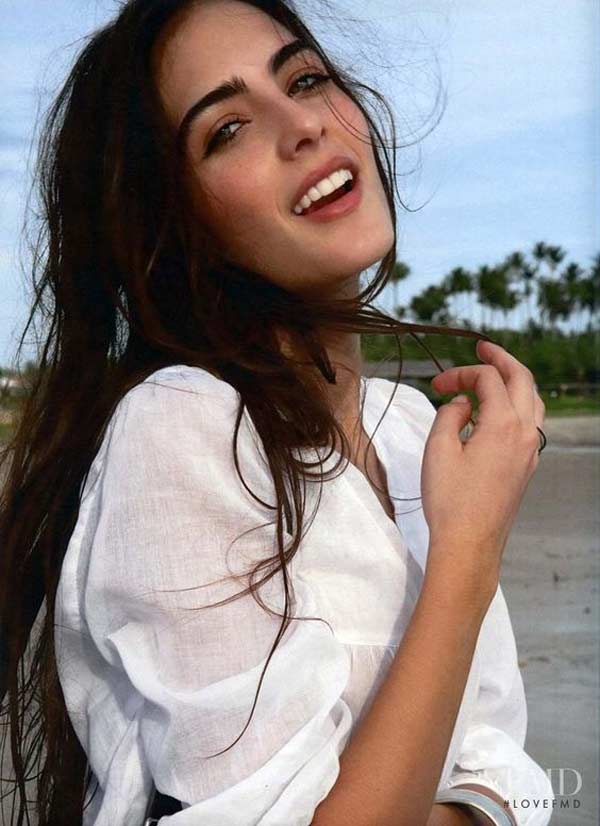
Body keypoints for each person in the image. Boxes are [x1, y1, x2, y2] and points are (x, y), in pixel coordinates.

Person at [0, 1, 554, 824]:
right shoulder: (184, 430)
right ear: (173, 224)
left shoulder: (411, 432)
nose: (302, 126)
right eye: (226, 130)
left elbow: (509, 768)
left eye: (304, 79)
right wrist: (466, 554)